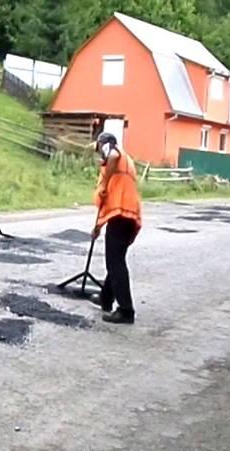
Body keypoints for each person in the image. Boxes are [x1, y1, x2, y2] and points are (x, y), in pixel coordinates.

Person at [91, 132, 142, 325]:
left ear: (103, 143)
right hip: (127, 214)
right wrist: (98, 226)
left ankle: (126, 310)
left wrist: (103, 183)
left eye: (99, 149)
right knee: (116, 259)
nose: (100, 156)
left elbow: (111, 155)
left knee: (115, 262)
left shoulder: (113, 151)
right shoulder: (126, 161)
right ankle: (106, 298)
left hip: (121, 215)